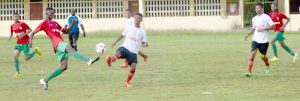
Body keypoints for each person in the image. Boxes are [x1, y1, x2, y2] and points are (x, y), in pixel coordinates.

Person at [29, 7, 99, 90]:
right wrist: (30, 41)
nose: (53, 15)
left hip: (59, 44)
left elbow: (65, 31)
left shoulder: (55, 23)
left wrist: (72, 24)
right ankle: (89, 60)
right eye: (51, 13)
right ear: (46, 14)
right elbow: (32, 33)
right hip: (57, 44)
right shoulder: (44, 23)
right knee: (71, 49)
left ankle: (45, 80)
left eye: (53, 13)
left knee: (64, 67)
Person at [106, 13, 148, 87]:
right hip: (125, 47)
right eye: (135, 18)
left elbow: (144, 42)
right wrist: (115, 42)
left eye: (138, 18)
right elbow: (122, 34)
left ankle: (127, 81)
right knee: (118, 53)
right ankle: (110, 60)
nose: (135, 19)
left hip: (133, 52)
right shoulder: (129, 27)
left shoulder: (142, 32)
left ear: (141, 20)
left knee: (133, 66)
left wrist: (145, 44)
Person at [244, 2, 275, 77]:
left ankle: (267, 64)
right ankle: (249, 72)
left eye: (258, 8)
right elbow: (253, 28)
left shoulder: (266, 17)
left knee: (263, 57)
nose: (257, 9)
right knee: (252, 56)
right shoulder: (254, 18)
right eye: (256, 8)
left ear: (262, 8)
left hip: (264, 41)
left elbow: (273, 26)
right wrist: (247, 35)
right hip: (255, 40)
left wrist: (263, 28)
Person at [8, 13, 42, 77]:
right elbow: (11, 33)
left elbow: (30, 30)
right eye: (14, 17)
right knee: (15, 57)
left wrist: (23, 35)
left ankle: (35, 51)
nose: (16, 18)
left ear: (19, 17)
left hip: (25, 42)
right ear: (13, 18)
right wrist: (9, 38)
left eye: (17, 16)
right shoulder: (12, 25)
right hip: (18, 43)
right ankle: (17, 72)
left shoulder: (22, 24)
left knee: (27, 58)